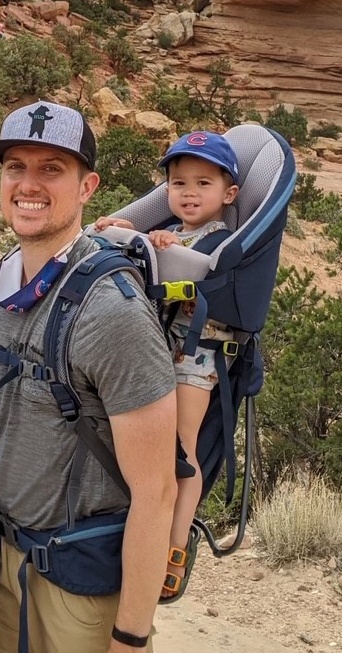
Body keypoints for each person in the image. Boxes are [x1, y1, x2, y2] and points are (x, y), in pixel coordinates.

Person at [0, 101, 178, 652]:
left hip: (81, 585)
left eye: (51, 169)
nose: (28, 184)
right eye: (15, 166)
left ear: (87, 186)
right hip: (10, 563)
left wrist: (130, 637)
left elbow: (156, 491)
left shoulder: (112, 313)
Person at [95, 131, 240, 602]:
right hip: (165, 349)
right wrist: (125, 229)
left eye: (202, 184)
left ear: (228, 194)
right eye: (179, 184)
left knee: (183, 450)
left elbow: (191, 267)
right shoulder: (173, 230)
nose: (189, 194)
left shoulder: (219, 236)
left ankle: (175, 547)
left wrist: (151, 244)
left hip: (197, 356)